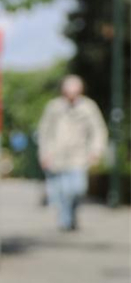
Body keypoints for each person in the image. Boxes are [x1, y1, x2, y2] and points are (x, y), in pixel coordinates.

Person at [37, 75, 108, 231]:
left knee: (77, 189)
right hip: (57, 156)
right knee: (62, 191)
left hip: (79, 156)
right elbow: (44, 132)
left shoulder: (89, 107)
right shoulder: (54, 107)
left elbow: (98, 130)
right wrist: (44, 154)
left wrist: (96, 150)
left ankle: (71, 214)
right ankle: (65, 221)